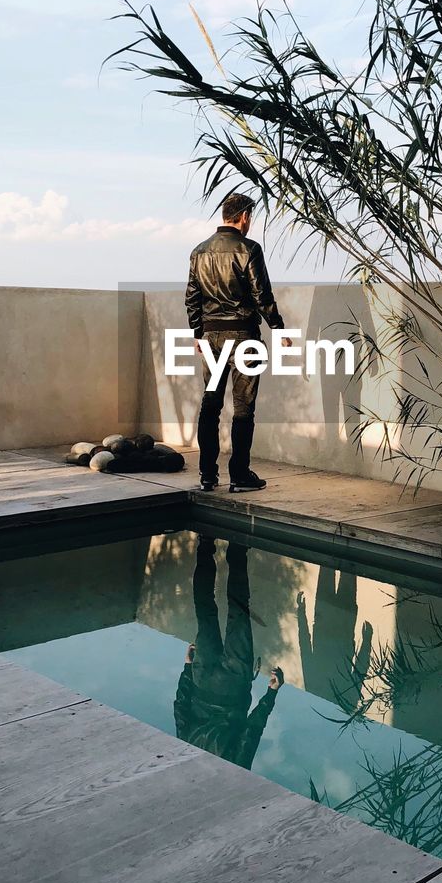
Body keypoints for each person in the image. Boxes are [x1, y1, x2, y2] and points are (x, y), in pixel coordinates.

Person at [185, 191, 288, 493]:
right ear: (244, 216)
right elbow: (262, 296)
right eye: (250, 217)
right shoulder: (249, 249)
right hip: (243, 336)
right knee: (243, 408)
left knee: (210, 404)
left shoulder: (199, 251)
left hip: (210, 337)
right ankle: (240, 476)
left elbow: (192, 296)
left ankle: (207, 475)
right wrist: (278, 327)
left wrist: (197, 332)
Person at [173, 535, 283, 771]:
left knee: (238, 612)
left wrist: (271, 693)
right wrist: (187, 668)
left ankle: (237, 547)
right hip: (202, 681)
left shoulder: (234, 771)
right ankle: (205, 544)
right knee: (205, 610)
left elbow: (252, 732)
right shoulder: (184, 752)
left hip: (233, 687)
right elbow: (180, 707)